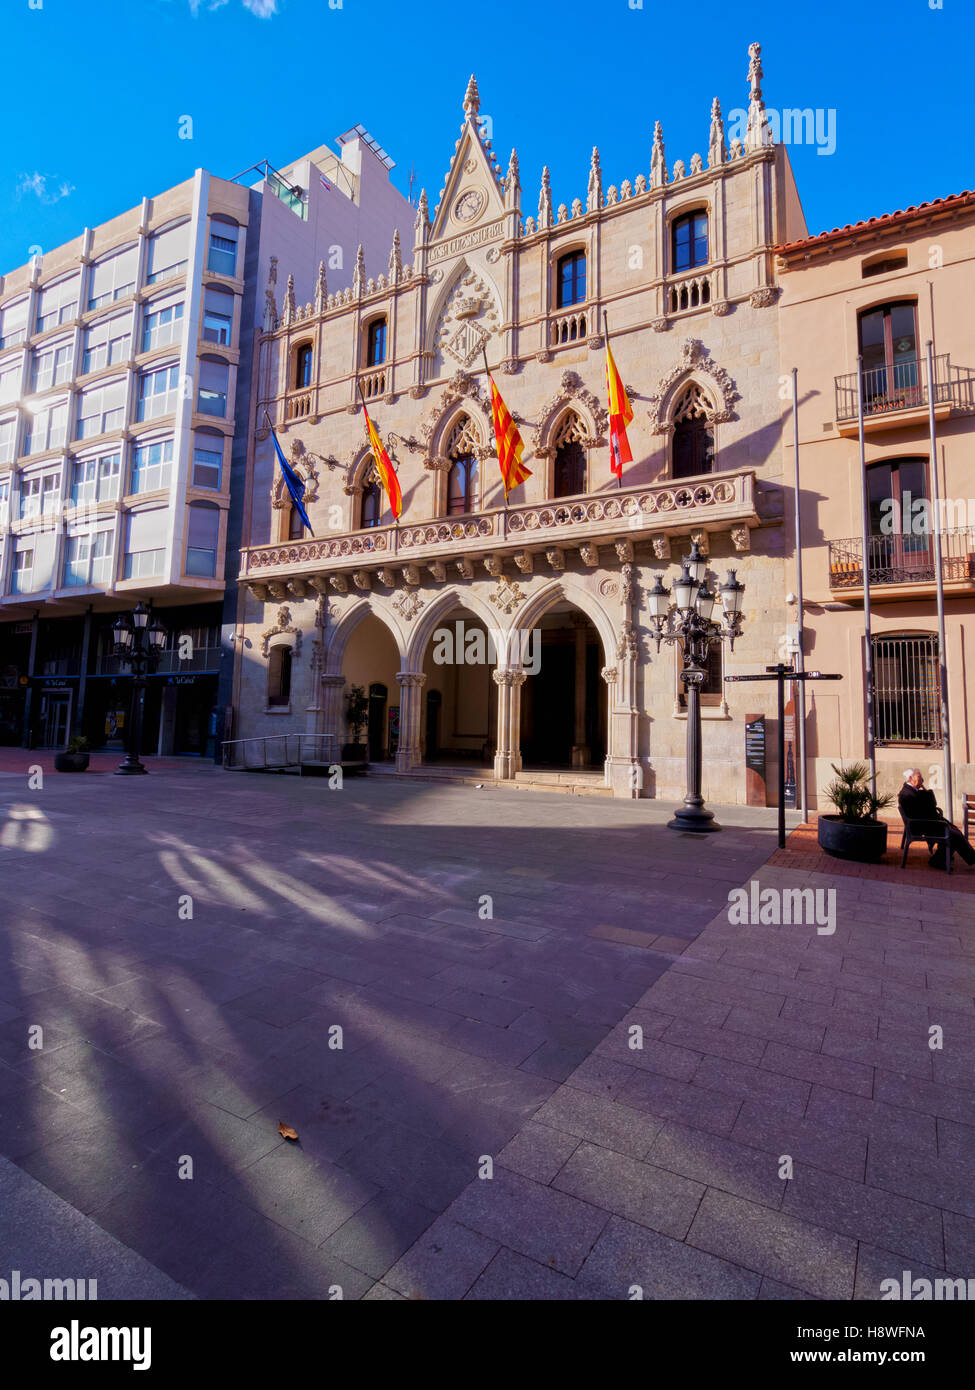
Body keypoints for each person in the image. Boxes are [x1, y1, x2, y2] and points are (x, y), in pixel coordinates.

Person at [898, 769, 975, 869]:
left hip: (926, 822)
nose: (922, 779)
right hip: (922, 825)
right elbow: (927, 808)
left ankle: (947, 855)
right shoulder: (907, 794)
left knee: (955, 831)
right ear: (910, 778)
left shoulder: (912, 790)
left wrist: (924, 789)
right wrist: (934, 815)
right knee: (953, 835)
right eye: (919, 777)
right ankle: (938, 860)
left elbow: (931, 805)